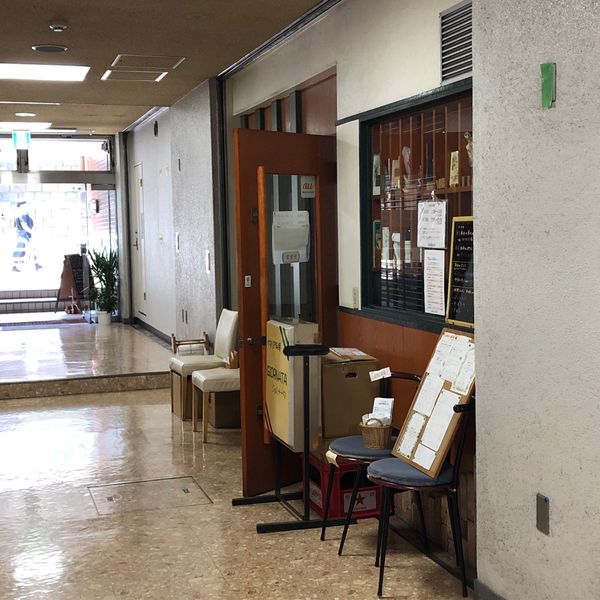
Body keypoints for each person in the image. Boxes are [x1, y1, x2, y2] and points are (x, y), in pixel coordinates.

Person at [12, 201, 41, 272]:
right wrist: (32, 232)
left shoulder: (25, 215)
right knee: (20, 251)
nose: (29, 207)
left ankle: (36, 264)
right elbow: (24, 226)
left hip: (26, 235)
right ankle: (14, 266)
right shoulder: (23, 215)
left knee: (31, 250)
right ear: (22, 207)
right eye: (27, 205)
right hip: (23, 235)